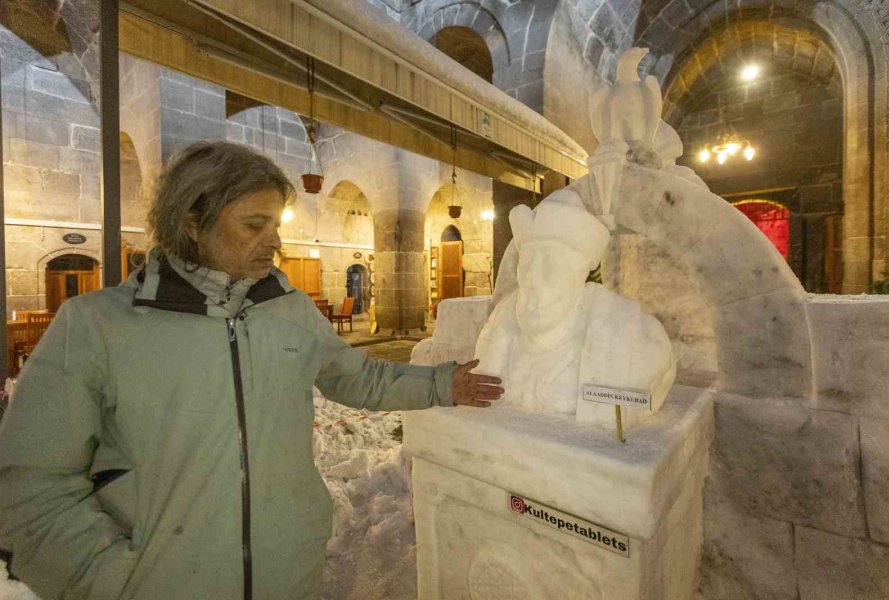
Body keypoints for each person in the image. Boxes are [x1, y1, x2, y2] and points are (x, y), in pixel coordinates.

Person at [0, 140, 503, 600]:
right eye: (253, 225)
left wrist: (441, 383)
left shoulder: (288, 310)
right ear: (193, 221)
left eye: (276, 224)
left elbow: (357, 377)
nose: (275, 242)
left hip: (289, 575)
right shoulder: (97, 327)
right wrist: (108, 579)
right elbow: (33, 483)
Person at [474, 188, 674, 423]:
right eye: (527, 261)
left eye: (549, 263)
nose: (531, 278)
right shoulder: (500, 325)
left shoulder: (636, 338)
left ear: (578, 276)